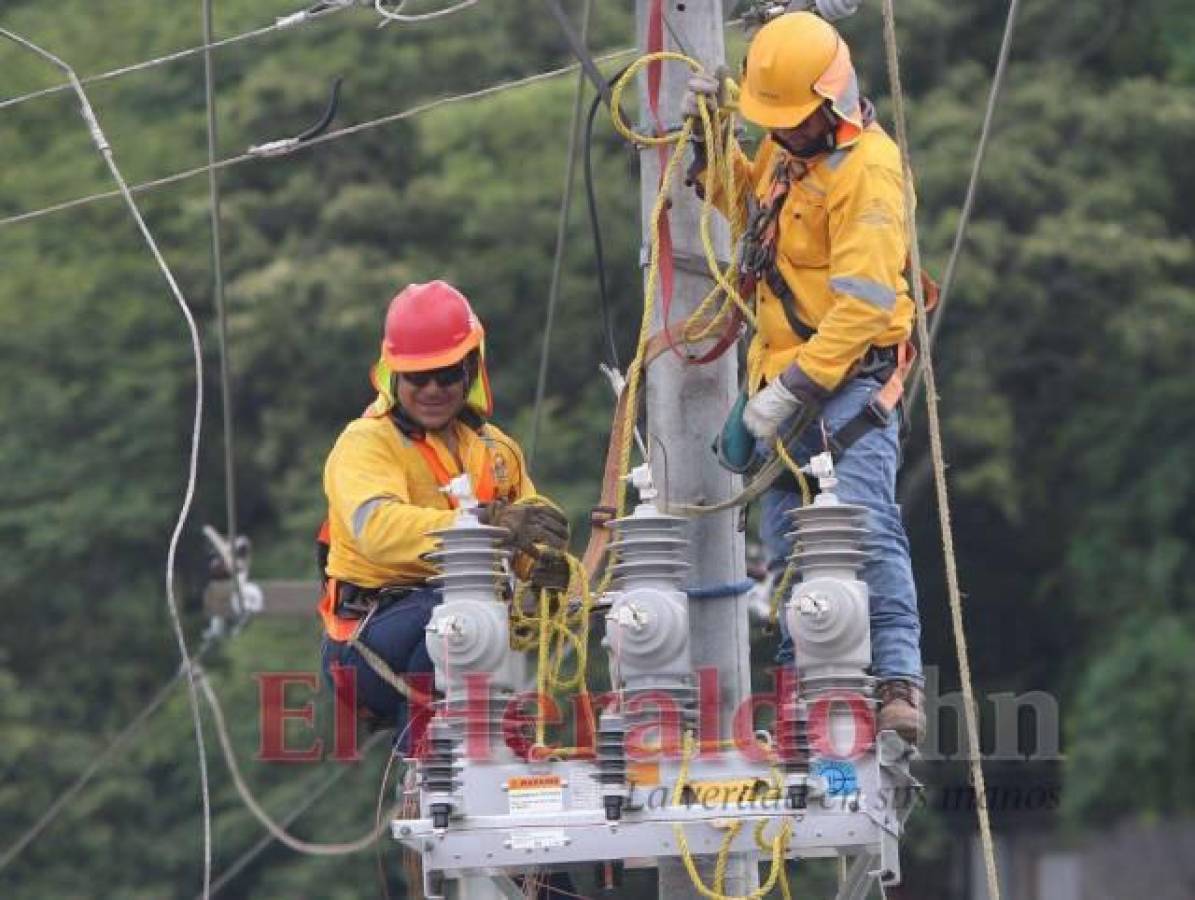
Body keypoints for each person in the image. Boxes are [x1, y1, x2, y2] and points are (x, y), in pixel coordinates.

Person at [685, 11, 925, 741]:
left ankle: (894, 683)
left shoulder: (868, 172)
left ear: (832, 101)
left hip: (848, 381)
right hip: (779, 381)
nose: (782, 133)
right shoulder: (789, 158)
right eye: (774, 123)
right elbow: (741, 207)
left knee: (860, 528)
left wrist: (791, 392)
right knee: (789, 551)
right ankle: (801, 702)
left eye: (790, 121)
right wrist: (711, 134)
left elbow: (862, 309)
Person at [318, 280, 571, 743]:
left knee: (477, 628)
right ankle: (430, 770)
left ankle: (489, 765)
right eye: (417, 377)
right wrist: (482, 529)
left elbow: (525, 535)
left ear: (471, 369)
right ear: (393, 375)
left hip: (461, 628)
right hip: (371, 636)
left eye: (448, 374)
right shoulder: (366, 443)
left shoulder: (494, 449)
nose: (433, 389)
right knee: (461, 616)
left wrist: (547, 569)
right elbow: (378, 529)